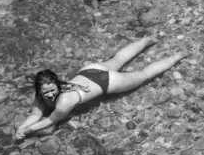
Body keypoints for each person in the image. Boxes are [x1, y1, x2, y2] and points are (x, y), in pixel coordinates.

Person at [14, 37, 184, 140]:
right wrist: (21, 128)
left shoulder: (64, 100)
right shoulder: (39, 96)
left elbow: (51, 120)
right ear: (39, 90)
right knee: (120, 57)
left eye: (53, 90)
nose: (50, 94)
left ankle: (177, 56)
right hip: (90, 71)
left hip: (109, 82)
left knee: (145, 74)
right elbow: (35, 114)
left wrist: (28, 130)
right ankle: (146, 41)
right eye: (46, 92)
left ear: (57, 85)